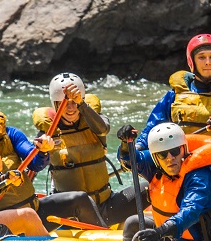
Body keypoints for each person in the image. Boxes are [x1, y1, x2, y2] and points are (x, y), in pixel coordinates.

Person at [0, 100, 106, 228]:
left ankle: (102, 239)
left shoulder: (11, 135)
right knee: (26, 215)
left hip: (34, 208)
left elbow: (35, 164)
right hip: (3, 220)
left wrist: (43, 151)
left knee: (79, 199)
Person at [33, 73, 143, 226]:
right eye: (65, 103)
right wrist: (43, 151)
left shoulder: (95, 122)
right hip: (72, 213)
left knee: (147, 188)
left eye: (75, 102)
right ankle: (102, 234)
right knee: (80, 198)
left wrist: (82, 104)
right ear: (55, 104)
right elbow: (34, 165)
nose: (70, 108)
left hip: (105, 205)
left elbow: (103, 129)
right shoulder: (47, 133)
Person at [135, 33, 211, 152]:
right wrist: (138, 146)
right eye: (202, 57)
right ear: (191, 61)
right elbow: (153, 127)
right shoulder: (174, 95)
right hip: (181, 158)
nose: (208, 62)